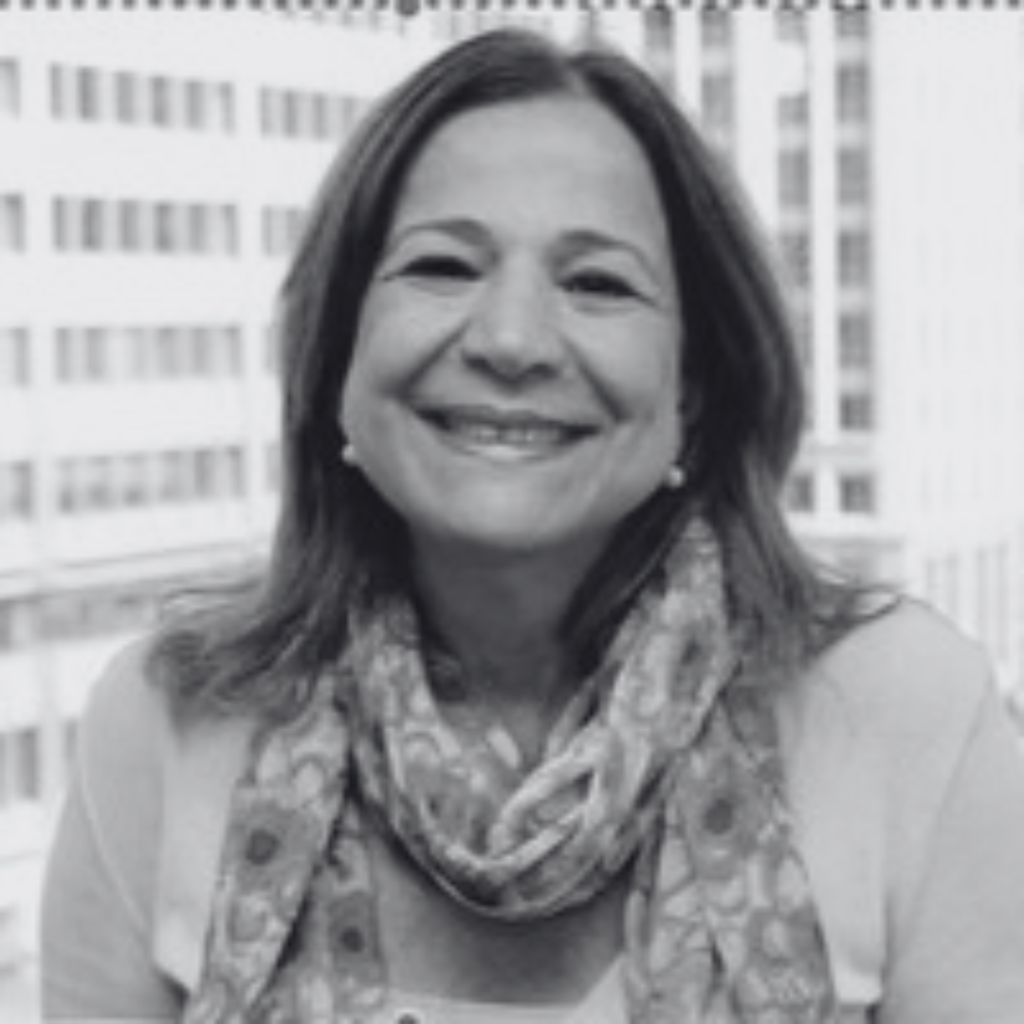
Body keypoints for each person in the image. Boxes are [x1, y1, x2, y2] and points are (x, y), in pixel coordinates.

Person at [41, 27, 1024, 1024]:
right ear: (338, 358)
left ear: (691, 390)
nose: (511, 340)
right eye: (442, 266)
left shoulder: (906, 714)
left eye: (597, 283)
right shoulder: (164, 723)